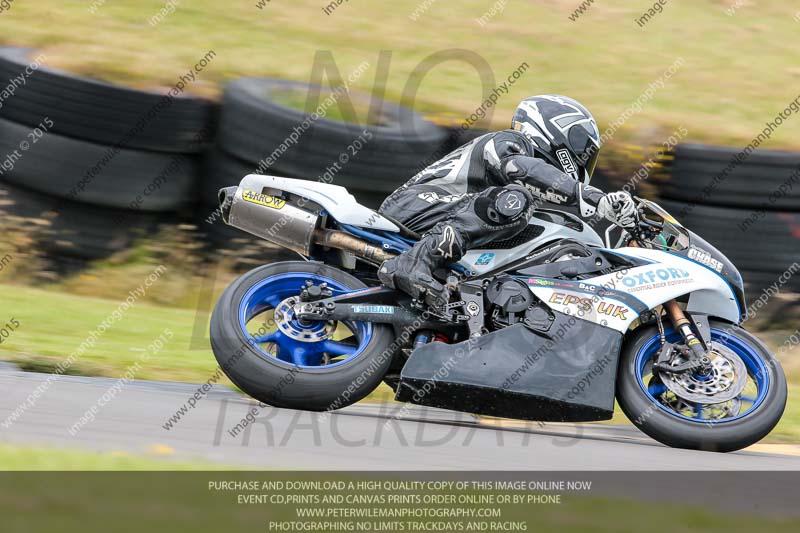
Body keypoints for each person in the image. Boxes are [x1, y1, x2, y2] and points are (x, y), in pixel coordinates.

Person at [377, 94, 638, 305]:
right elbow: (521, 169)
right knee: (516, 200)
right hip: (414, 203)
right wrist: (592, 197)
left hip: (439, 213)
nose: (584, 160)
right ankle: (414, 262)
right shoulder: (510, 142)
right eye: (584, 150)